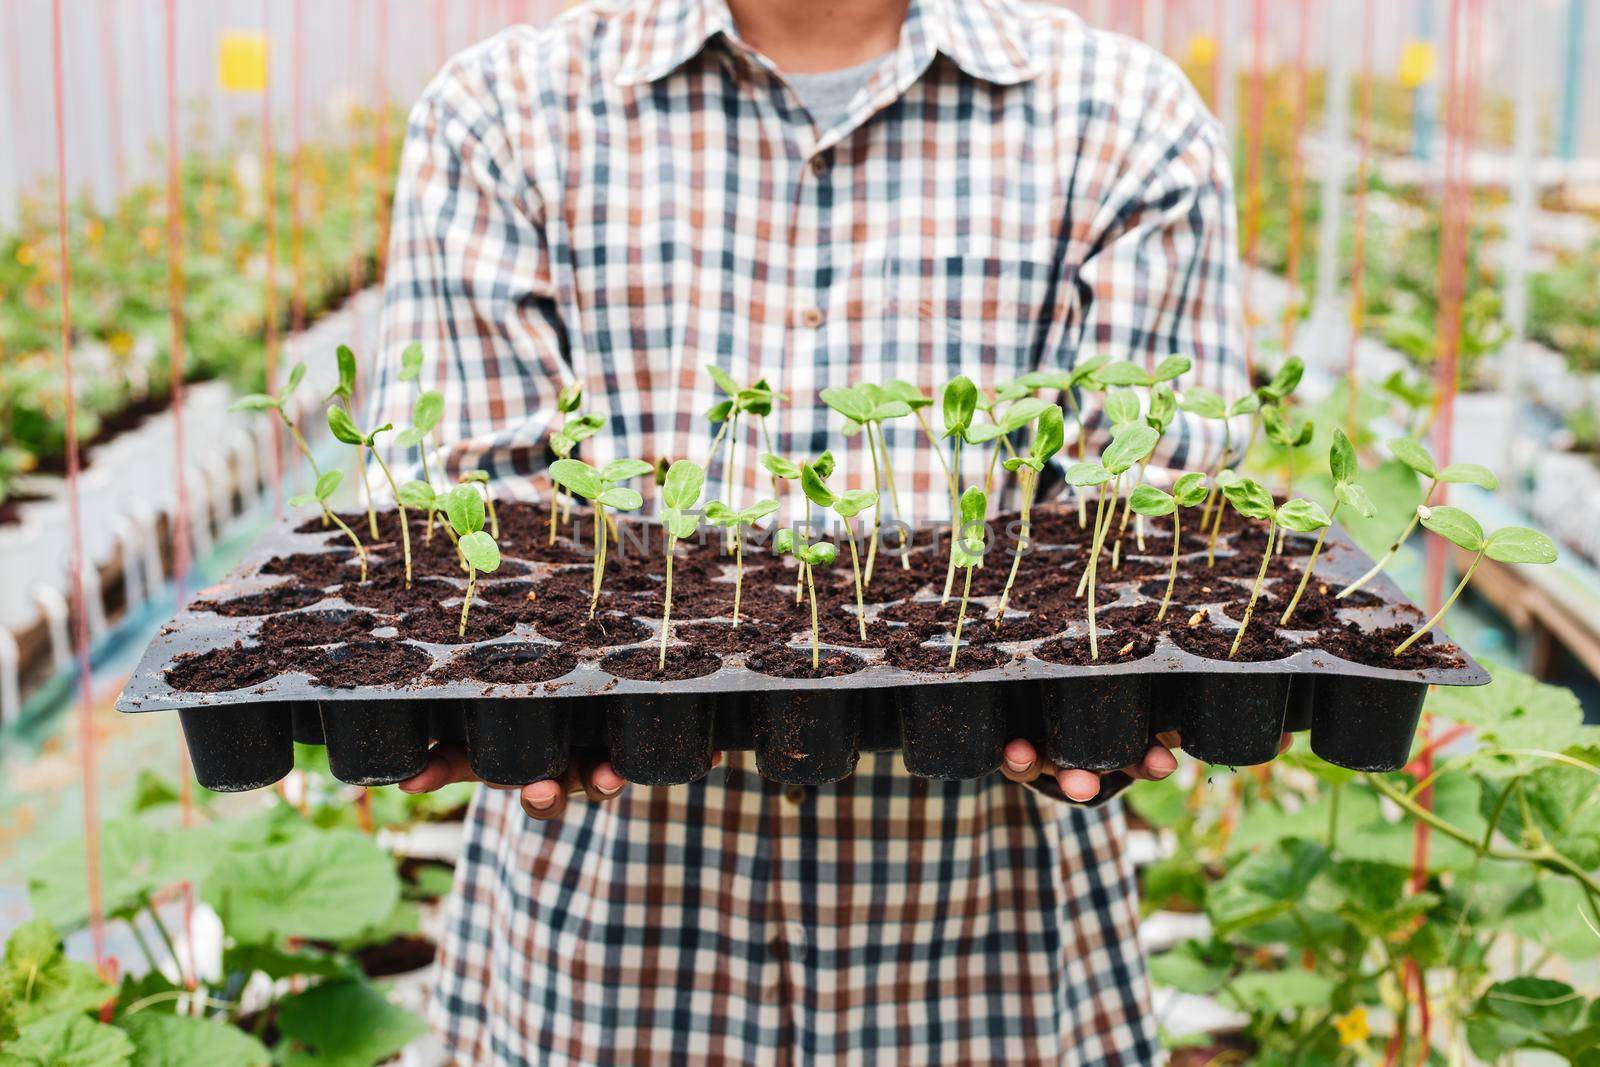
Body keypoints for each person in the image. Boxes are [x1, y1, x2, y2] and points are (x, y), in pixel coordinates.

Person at [376, 0, 1274, 1062]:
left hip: (990, 945)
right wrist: (514, 694)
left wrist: (1107, 696)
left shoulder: (1123, 116)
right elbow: (475, 505)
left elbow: (1153, 497)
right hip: (602, 948)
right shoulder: (503, 112)